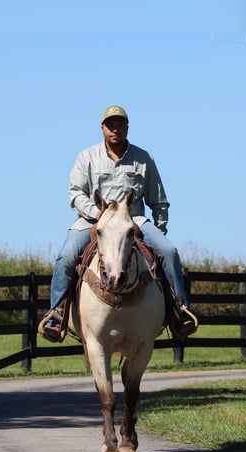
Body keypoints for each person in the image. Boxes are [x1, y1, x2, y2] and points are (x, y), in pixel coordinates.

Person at [39, 104, 198, 343]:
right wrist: (97, 214)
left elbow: (159, 200)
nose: (115, 129)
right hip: (92, 220)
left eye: (120, 124)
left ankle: (179, 310)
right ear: (102, 128)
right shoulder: (86, 157)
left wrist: (159, 231)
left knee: (168, 250)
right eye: (110, 125)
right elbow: (75, 194)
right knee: (66, 256)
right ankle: (56, 314)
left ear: (127, 128)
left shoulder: (143, 158)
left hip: (134, 220)